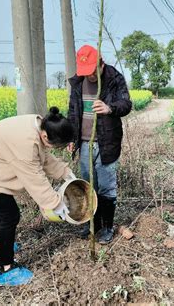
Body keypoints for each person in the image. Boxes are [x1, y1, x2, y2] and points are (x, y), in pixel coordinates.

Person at [0, 107, 75, 286]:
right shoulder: (26, 142)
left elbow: (44, 157)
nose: (57, 149)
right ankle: (5, 268)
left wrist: (65, 173)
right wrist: (56, 204)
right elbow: (35, 178)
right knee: (10, 214)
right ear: (46, 137)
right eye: (58, 146)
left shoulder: (40, 125)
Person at [67, 44, 132, 244]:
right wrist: (72, 137)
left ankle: (107, 226)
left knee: (106, 188)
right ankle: (91, 223)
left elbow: (126, 104)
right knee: (88, 186)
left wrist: (109, 108)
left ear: (101, 64)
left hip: (107, 143)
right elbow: (72, 112)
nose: (90, 76)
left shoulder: (114, 79)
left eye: (93, 72)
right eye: (86, 73)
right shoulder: (78, 83)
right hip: (85, 144)